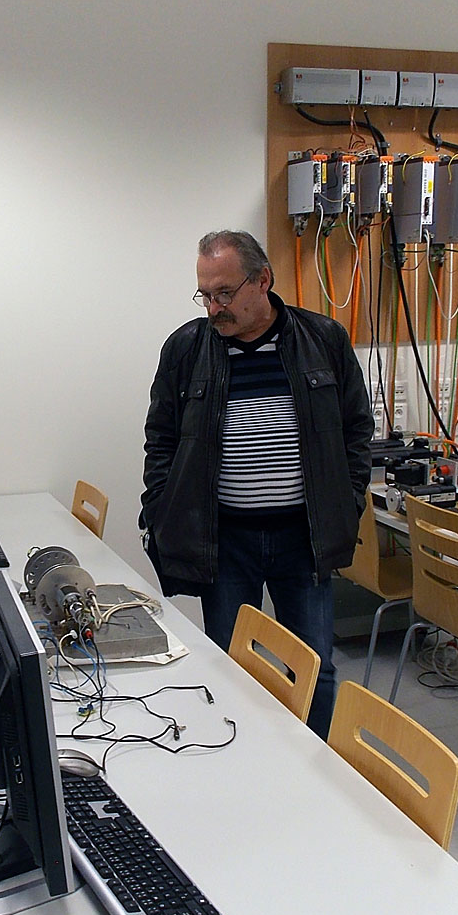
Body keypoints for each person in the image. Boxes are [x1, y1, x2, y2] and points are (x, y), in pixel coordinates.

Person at [142, 230, 373, 738]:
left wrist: (348, 500)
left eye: (224, 293)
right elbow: (161, 439)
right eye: (205, 294)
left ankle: (315, 767)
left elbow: (356, 430)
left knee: (314, 668)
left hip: (303, 539)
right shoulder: (186, 349)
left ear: (263, 279)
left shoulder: (323, 340)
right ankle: (242, 760)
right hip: (226, 542)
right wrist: (160, 509)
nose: (214, 307)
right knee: (230, 664)